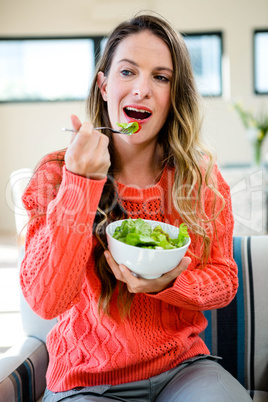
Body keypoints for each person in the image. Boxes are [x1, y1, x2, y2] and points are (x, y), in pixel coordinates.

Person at [20, 13, 252, 402]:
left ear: (173, 94)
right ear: (104, 85)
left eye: (160, 77)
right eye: (128, 72)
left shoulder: (200, 178)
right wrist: (82, 183)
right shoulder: (58, 172)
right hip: (86, 379)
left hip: (182, 369)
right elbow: (46, 300)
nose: (142, 89)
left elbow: (225, 281)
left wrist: (171, 284)